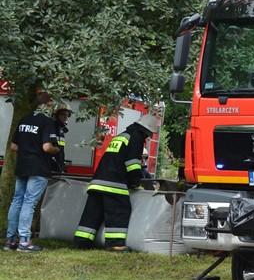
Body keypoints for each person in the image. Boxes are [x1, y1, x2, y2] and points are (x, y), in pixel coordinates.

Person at [72, 113, 159, 251]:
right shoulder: (136, 138)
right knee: (120, 210)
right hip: (114, 183)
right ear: (146, 130)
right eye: (148, 134)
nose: (148, 137)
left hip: (98, 181)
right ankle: (115, 244)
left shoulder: (122, 135)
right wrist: (136, 182)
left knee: (92, 213)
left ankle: (81, 242)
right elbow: (133, 164)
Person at [5, 92, 60, 252]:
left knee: (17, 201)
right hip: (38, 168)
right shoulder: (47, 122)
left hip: (22, 166)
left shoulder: (24, 119)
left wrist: (28, 149)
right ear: (48, 104)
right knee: (29, 203)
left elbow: (14, 146)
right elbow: (46, 147)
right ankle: (24, 242)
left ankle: (11, 241)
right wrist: (57, 149)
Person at [51, 103, 72, 174]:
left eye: (68, 114)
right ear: (56, 115)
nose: (66, 117)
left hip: (58, 169)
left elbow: (60, 151)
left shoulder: (61, 131)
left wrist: (62, 166)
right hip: (50, 169)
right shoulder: (50, 129)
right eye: (63, 114)